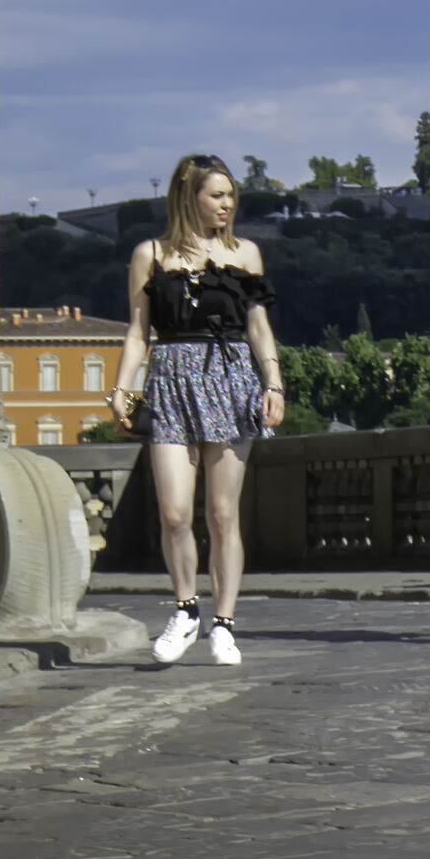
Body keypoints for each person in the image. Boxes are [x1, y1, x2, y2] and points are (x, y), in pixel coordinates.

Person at [107, 154, 284, 666]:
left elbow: (258, 327)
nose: (227, 204)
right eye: (216, 195)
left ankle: (224, 625)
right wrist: (121, 390)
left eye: (230, 196)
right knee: (174, 512)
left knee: (224, 514)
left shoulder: (245, 253)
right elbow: (139, 332)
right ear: (189, 198)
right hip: (171, 381)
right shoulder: (151, 254)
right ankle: (186, 611)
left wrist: (273, 382)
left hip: (231, 380)